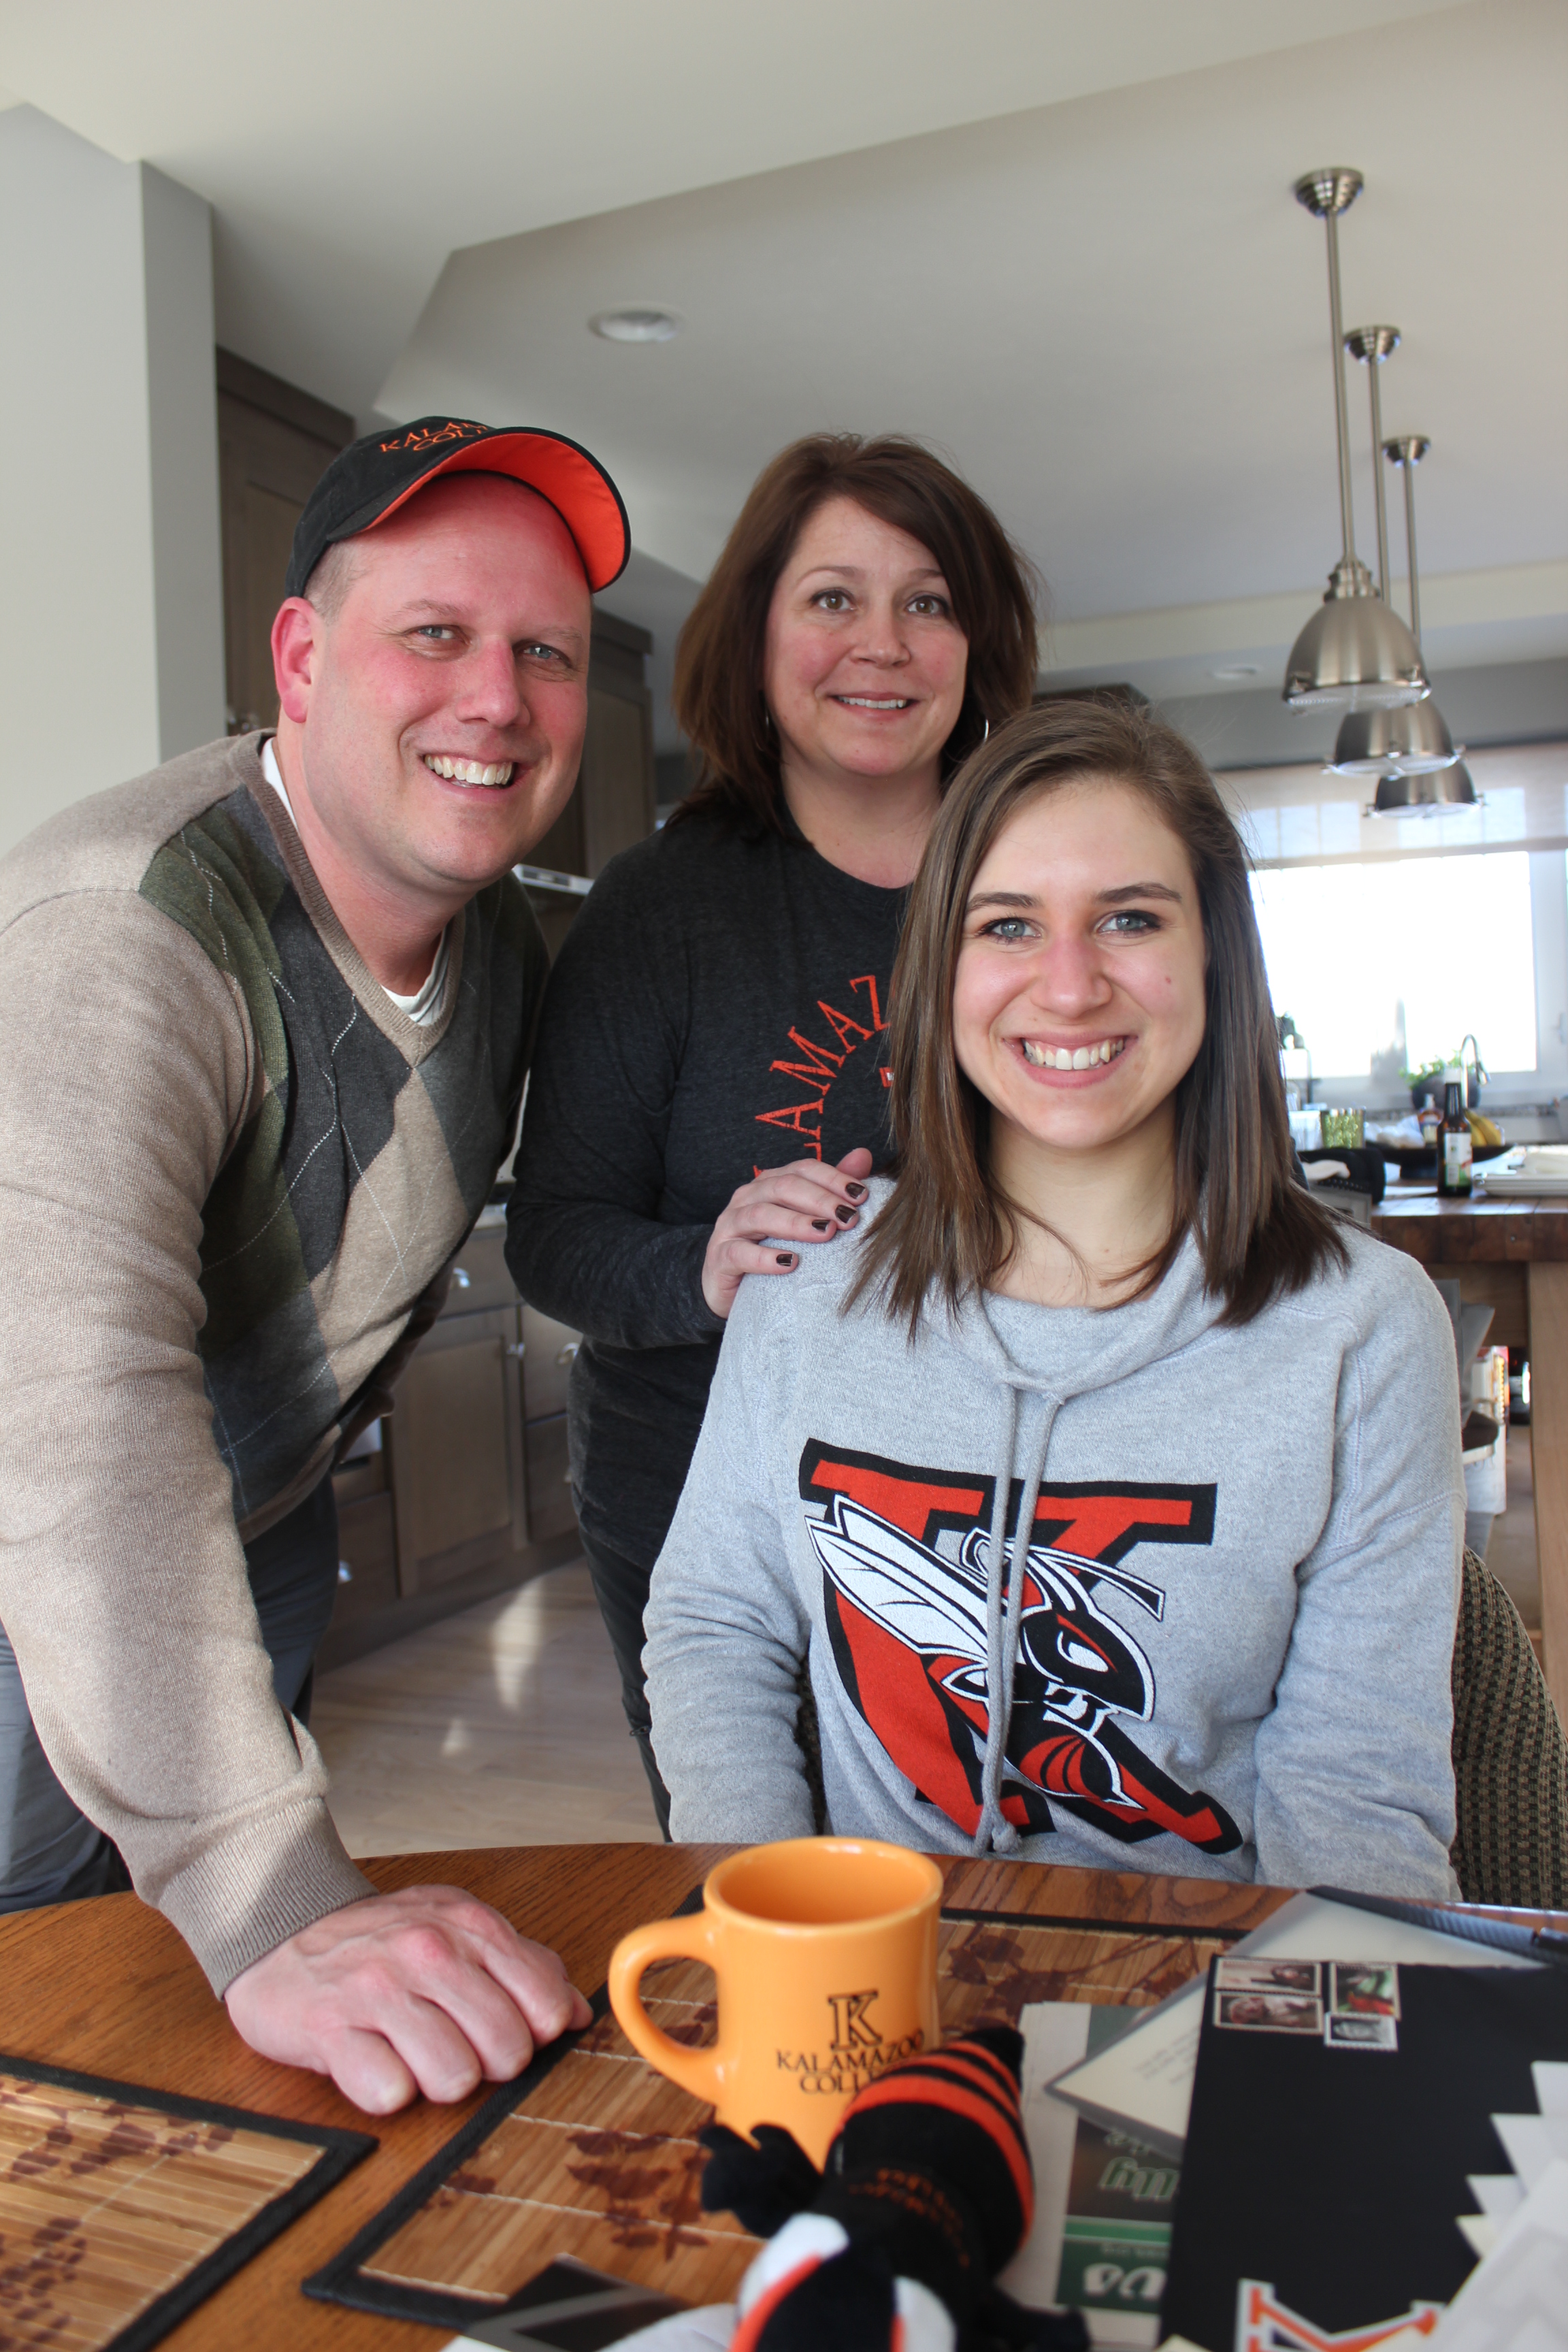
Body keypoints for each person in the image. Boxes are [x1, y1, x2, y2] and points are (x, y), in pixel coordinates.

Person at [0, 413, 632, 2111]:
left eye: (545, 653)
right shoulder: (122, 933)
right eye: (434, 635)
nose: (496, 698)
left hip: (250, 1525)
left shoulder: (493, 938)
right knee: (33, 1977)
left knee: (165, 1996)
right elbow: (75, 1422)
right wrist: (262, 1882)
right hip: (33, 1564)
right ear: (300, 656)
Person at [643, 698, 1465, 1898]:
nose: (1069, 986)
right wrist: (784, 1930)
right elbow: (717, 1628)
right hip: (867, 1985)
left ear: (1212, 955)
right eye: (1009, 925)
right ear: (944, 968)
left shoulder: (1364, 1330)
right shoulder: (807, 1276)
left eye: (1129, 918)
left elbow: (1353, 1794)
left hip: (1200, 2003)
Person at [506, 435, 1039, 1831]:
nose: (883, 645)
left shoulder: (1041, 880)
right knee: (775, 1880)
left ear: (979, 645)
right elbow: (556, 1236)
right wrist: (708, 1263)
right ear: (756, 637)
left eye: (929, 601)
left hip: (1014, 1491)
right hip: (702, 1496)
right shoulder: (658, 907)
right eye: (831, 600)